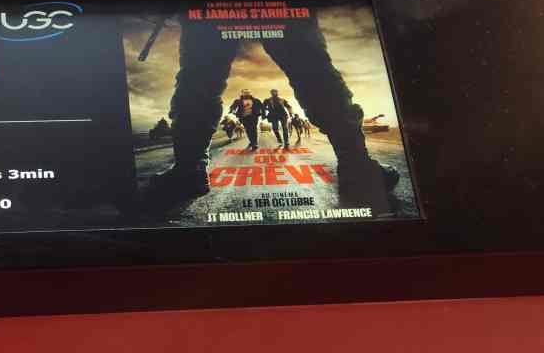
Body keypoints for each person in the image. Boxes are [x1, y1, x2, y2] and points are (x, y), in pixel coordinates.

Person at [144, 12, 399, 210]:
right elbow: (248, 106)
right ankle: (356, 166)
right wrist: (253, 112)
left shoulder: (263, 99)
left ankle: (355, 163)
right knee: (313, 71)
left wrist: (273, 112)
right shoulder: (258, 100)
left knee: (312, 72)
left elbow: (282, 106)